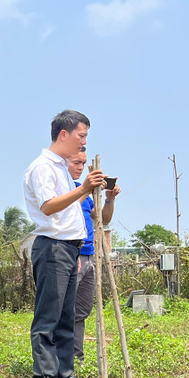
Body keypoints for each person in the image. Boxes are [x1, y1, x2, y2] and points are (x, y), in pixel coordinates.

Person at [23, 110, 106, 378]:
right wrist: (82, 189)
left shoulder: (60, 167)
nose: (83, 143)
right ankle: (46, 375)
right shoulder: (42, 167)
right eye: (81, 136)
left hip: (70, 248)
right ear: (63, 134)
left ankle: (64, 372)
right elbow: (48, 207)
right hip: (52, 247)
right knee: (49, 315)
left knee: (66, 316)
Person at [70, 151, 121, 362]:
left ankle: (76, 356)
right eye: (76, 163)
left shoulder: (88, 195)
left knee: (81, 310)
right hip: (73, 253)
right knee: (66, 309)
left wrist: (109, 200)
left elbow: (103, 219)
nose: (81, 167)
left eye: (83, 164)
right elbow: (65, 211)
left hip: (91, 255)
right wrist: (86, 187)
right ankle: (62, 358)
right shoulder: (67, 190)